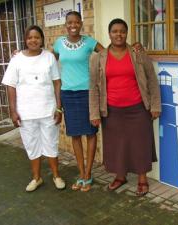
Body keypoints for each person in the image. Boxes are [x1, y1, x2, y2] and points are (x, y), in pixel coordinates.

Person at [52, 11, 142, 192]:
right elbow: (48, 60)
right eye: (70, 22)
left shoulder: (89, 42)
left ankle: (88, 173)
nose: (73, 25)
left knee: (90, 133)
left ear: (81, 24)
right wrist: (19, 54)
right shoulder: (59, 43)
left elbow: (111, 52)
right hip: (68, 94)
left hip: (87, 92)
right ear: (65, 24)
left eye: (77, 22)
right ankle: (82, 174)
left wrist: (133, 48)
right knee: (75, 135)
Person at [89, 18, 161, 196]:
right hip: (112, 111)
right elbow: (94, 87)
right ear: (109, 34)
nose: (118, 34)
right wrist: (94, 113)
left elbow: (152, 79)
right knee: (117, 146)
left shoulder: (137, 53)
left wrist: (155, 105)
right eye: (115, 31)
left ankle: (142, 179)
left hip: (138, 108)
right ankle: (120, 176)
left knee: (140, 144)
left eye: (122, 31)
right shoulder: (98, 58)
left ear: (127, 33)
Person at [2, 25, 65, 192]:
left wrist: (59, 108)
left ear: (42, 40)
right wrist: (13, 111)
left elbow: (57, 83)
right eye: (30, 37)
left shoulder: (49, 58)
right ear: (25, 40)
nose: (33, 40)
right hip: (26, 113)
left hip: (48, 111)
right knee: (32, 146)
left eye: (37, 37)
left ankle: (56, 176)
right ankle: (37, 178)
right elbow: (10, 86)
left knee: (51, 144)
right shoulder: (17, 60)